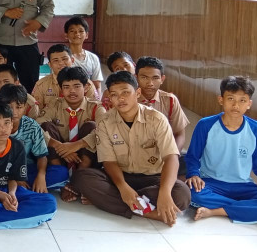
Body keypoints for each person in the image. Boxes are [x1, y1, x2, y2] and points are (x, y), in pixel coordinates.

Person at [71, 71, 191, 225]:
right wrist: (123, 188)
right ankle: (149, 213)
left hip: (153, 178)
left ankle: (113, 202)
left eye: (125, 92)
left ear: (138, 93)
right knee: (82, 178)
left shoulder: (157, 119)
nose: (120, 98)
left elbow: (171, 157)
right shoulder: (105, 122)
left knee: (182, 194)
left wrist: (165, 192)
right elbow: (109, 162)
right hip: (120, 177)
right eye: (114, 95)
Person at [185, 76, 257, 224]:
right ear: (221, 100)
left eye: (242, 100)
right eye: (230, 99)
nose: (236, 105)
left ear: (249, 104)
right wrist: (193, 174)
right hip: (211, 182)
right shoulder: (205, 125)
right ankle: (249, 210)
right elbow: (192, 156)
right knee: (193, 193)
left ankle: (215, 211)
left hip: (243, 185)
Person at [0, 101, 57, 231]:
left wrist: (12, 194)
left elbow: (13, 178)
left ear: (12, 124)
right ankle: (13, 214)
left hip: (9, 189)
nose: (3, 128)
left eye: (7, 123)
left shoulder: (17, 146)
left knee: (50, 203)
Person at [37, 66, 106, 202]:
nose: (72, 91)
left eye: (76, 86)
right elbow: (36, 127)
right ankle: (62, 181)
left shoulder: (96, 107)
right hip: (60, 157)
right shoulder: (54, 105)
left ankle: (76, 182)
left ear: (86, 87)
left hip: (86, 158)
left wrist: (77, 145)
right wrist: (61, 147)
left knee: (92, 127)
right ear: (61, 89)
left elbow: (106, 132)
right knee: (46, 127)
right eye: (66, 87)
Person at [0, 84, 68, 192]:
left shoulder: (31, 125)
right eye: (8, 107)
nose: (14, 112)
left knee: (61, 173)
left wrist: (41, 176)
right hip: (1, 172)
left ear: (25, 107)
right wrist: (13, 178)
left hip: (27, 169)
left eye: (19, 107)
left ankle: (20, 189)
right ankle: (20, 189)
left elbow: (42, 156)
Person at [136, 56, 190, 151]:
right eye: (144, 77)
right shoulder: (129, 100)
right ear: (136, 77)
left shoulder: (170, 100)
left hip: (164, 152)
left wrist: (173, 157)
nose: (150, 83)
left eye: (155, 78)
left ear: (162, 79)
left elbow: (179, 134)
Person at [0, 64, 39, 133]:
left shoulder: (29, 102)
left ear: (16, 83)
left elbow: (34, 128)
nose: (2, 86)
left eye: (6, 82)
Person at [31, 44, 97, 109]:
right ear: (50, 65)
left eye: (64, 59)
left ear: (72, 60)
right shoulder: (42, 85)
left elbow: (95, 107)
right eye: (56, 60)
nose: (61, 63)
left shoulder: (86, 83)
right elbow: (35, 111)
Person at [64, 16, 103, 93]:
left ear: (87, 35)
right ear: (66, 35)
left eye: (81, 31)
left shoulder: (93, 58)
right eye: (72, 31)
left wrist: (97, 102)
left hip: (89, 99)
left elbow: (97, 86)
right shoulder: (62, 57)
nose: (77, 34)